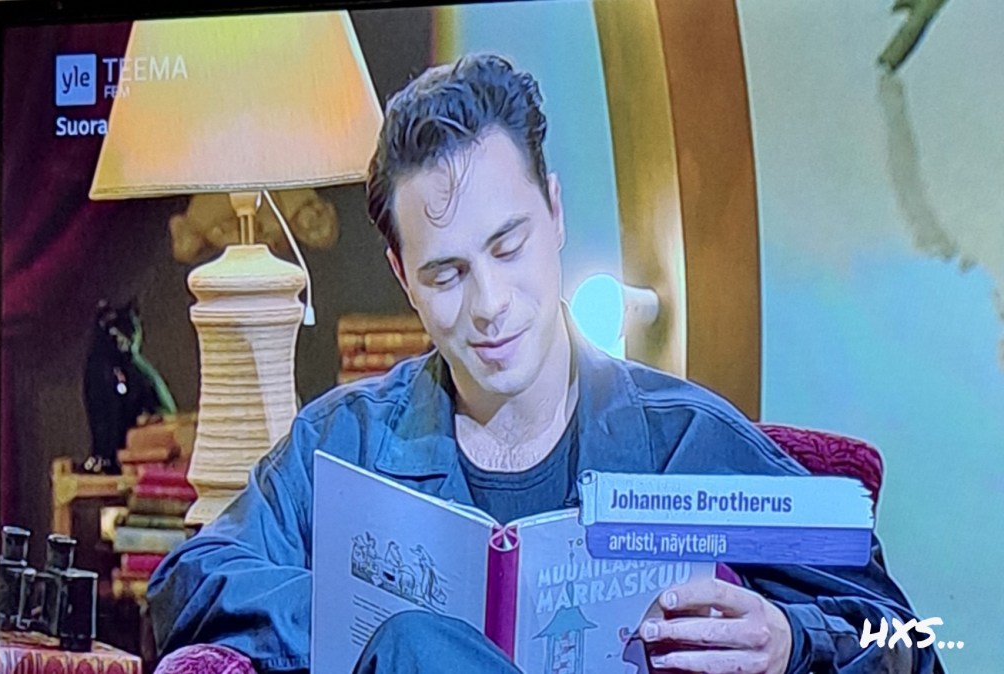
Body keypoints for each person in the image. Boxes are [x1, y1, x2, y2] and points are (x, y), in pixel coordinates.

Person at [148, 54, 942, 674]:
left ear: (555, 213)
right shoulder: (344, 446)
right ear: (403, 278)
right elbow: (188, 584)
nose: (490, 304)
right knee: (412, 642)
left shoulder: (687, 441)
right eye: (447, 274)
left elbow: (909, 639)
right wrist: (375, 628)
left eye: (509, 246)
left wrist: (790, 639)